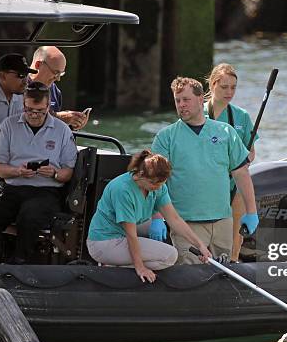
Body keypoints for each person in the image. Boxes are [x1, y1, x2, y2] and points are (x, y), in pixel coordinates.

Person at [151, 77, 259, 265]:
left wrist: (251, 212)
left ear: (201, 100)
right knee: (191, 278)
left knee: (224, 278)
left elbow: (241, 174)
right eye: (177, 101)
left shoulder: (226, 132)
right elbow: (156, 181)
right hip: (186, 225)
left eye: (186, 100)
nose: (181, 105)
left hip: (223, 222)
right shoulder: (165, 137)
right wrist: (157, 216)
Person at [86, 150, 212, 282]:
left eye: (161, 184)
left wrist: (200, 245)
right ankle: (114, 265)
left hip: (124, 229)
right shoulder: (122, 190)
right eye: (154, 184)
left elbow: (174, 219)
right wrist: (140, 267)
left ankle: (123, 261)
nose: (158, 188)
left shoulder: (158, 187)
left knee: (166, 230)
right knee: (170, 256)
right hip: (104, 242)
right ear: (141, 174)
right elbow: (131, 235)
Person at [0, 81, 78, 264]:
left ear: (48, 107)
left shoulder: (62, 130)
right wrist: (17, 171)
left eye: (39, 111)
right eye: (30, 110)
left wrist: (54, 173)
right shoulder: (9, 126)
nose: (34, 115)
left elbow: (68, 173)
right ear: (23, 105)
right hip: (13, 188)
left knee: (30, 216)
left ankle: (21, 262)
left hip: (47, 190)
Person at [205, 63, 259, 262]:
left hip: (235, 185)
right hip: (206, 185)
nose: (229, 92)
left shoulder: (242, 116)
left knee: (234, 242)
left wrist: (245, 159)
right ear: (212, 85)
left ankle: (234, 264)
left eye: (233, 87)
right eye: (224, 87)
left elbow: (251, 152)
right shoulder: (197, 113)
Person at [28, 46, 89, 130]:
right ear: (38, 65)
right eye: (55, 73)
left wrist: (72, 124)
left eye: (61, 74)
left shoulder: (55, 91)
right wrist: (60, 118)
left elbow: (54, 129)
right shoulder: (18, 87)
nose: (58, 79)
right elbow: (21, 120)